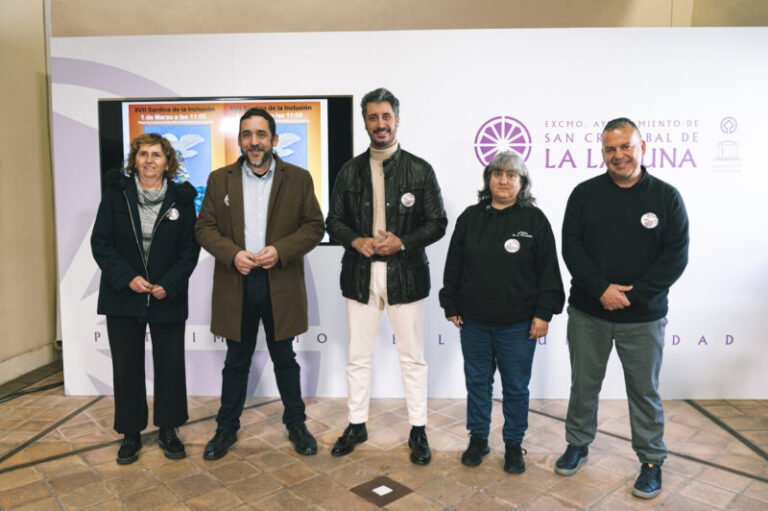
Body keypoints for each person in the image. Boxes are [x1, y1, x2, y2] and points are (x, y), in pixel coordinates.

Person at [555, 118, 689, 499]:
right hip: (589, 312)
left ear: (642, 147)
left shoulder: (666, 197)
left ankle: (650, 461)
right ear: (603, 153)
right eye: (610, 149)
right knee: (584, 385)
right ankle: (578, 444)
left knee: (644, 391)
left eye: (626, 146)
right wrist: (601, 289)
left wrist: (631, 295)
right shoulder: (584, 194)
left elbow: (675, 256)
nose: (619, 155)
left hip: (643, 317)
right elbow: (572, 247)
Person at [326, 87, 447, 465]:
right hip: (360, 274)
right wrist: (355, 240)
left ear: (397, 118)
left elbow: (438, 222)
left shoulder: (420, 169)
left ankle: (418, 429)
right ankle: (356, 423)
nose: (380, 124)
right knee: (357, 357)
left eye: (386, 117)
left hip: (405, 275)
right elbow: (333, 222)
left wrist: (404, 243)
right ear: (365, 122)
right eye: (373, 117)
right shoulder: (349, 170)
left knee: (412, 357)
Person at [195, 107, 324, 460]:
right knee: (236, 360)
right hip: (237, 282)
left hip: (279, 281)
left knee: (285, 358)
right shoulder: (219, 179)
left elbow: (314, 227)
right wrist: (232, 253)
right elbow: (204, 228)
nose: (254, 142)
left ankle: (296, 424)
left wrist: (280, 250)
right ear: (239, 140)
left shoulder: (298, 178)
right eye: (247, 135)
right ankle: (226, 430)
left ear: (274, 139)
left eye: (261, 135)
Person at [439, 151, 564, 473]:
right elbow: (454, 265)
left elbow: (549, 271)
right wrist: (450, 303)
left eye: (511, 174)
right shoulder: (470, 218)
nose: (504, 179)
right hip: (475, 322)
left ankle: (513, 443)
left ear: (522, 182)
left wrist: (544, 314)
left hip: (518, 325)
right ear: (488, 179)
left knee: (516, 387)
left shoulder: (534, 220)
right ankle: (478, 438)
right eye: (497, 174)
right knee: (477, 383)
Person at [91, 133, 200, 464]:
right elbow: (101, 243)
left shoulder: (182, 199)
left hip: (167, 295)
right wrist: (127, 279)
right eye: (143, 154)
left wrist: (169, 283)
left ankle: (168, 429)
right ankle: (130, 433)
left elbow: (190, 250)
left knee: (170, 366)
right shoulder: (116, 195)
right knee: (127, 368)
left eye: (156, 154)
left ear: (169, 162)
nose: (149, 160)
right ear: (134, 161)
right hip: (123, 296)